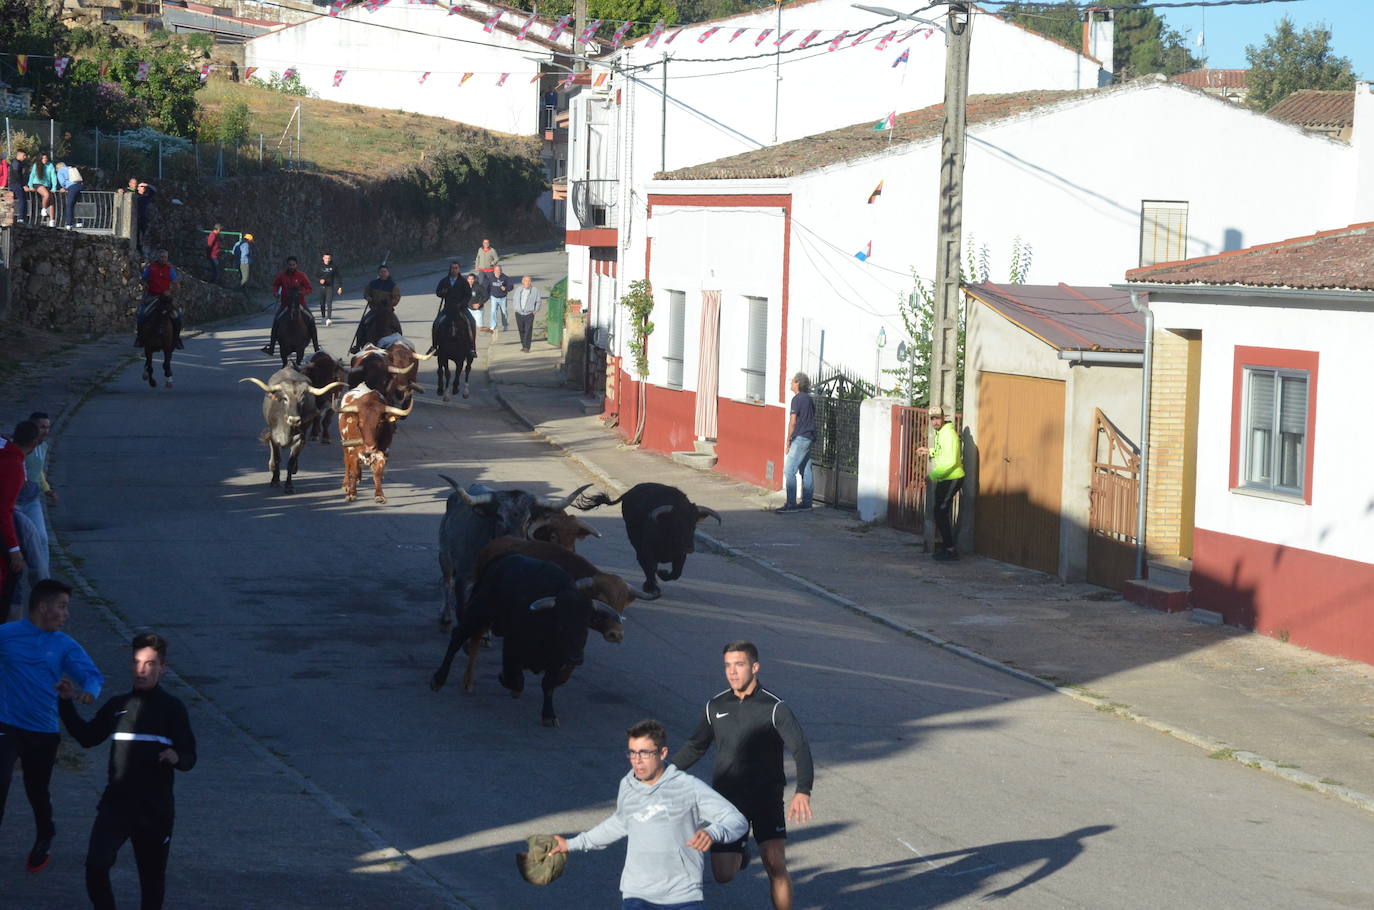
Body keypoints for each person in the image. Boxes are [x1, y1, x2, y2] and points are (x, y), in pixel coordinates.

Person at [669, 641, 814, 910]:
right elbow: (695, 746)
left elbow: (800, 748)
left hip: (765, 799)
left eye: (739, 664)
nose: (732, 672)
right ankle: (741, 851)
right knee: (724, 875)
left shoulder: (774, 708)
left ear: (755, 667)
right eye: (727, 665)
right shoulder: (716, 706)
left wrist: (803, 790)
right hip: (727, 802)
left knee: (774, 862)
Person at [60, 631, 196, 910]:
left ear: (162, 668)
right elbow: (87, 737)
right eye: (136, 662)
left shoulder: (173, 709)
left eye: (149, 664)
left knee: (152, 882)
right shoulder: (117, 706)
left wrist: (176, 756)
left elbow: (190, 755)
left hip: (154, 810)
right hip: (116, 806)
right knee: (96, 866)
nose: (141, 670)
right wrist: (65, 703)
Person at [551, 718, 747, 910]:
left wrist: (713, 832)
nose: (637, 761)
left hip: (683, 897)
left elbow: (737, 820)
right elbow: (618, 824)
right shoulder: (627, 786)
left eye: (645, 753)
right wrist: (571, 844)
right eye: (632, 753)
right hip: (637, 896)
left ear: (662, 753)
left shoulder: (688, 787)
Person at [0, 579, 104, 873]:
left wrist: (88, 693)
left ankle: (45, 833)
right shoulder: (7, 635)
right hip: (6, 723)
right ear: (43, 608)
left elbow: (93, 676)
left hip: (43, 730)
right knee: (1, 779)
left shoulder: (64, 645)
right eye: (62, 607)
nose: (66, 614)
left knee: (37, 791)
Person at [13, 412, 56, 593]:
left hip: (32, 500)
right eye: (41, 426)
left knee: (42, 537)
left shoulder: (43, 446)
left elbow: (39, 471)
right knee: (25, 539)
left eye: (47, 426)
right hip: (15, 502)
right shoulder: (19, 446)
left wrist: (47, 489)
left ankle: (44, 583)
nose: (45, 430)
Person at [916, 405, 965, 560]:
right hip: (946, 477)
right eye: (933, 419)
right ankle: (947, 547)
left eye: (937, 418)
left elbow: (951, 461)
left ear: (944, 417)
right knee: (940, 512)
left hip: (952, 477)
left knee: (940, 511)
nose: (935, 421)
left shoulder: (948, 434)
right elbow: (942, 452)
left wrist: (933, 475)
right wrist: (929, 451)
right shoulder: (941, 433)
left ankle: (950, 550)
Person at [0, 421, 39, 608]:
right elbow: (3, 509)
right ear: (35, 445)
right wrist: (13, 549)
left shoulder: (3, 445)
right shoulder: (14, 466)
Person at [262, 256, 320, 356]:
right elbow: (275, 285)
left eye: (293, 265)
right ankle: (271, 347)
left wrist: (302, 293)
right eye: (290, 265)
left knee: (311, 319)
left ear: (296, 265)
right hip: (285, 304)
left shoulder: (301, 275)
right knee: (276, 321)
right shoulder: (282, 276)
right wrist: (276, 293)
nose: (292, 267)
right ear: (287, 265)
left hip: (300, 304)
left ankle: (316, 347)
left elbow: (309, 288)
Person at [776, 373, 816, 514]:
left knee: (789, 470)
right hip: (809, 436)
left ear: (798, 383)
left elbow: (793, 421)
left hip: (800, 437)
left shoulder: (797, 399)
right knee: (805, 469)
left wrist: (788, 440)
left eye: (792, 381)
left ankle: (791, 504)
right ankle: (807, 503)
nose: (790, 383)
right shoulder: (809, 399)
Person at [135, 250, 184, 350]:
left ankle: (176, 339)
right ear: (158, 257)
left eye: (165, 257)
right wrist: (145, 285)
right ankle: (140, 338)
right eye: (161, 257)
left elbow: (176, 284)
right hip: (152, 297)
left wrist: (170, 291)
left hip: (165, 298)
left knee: (178, 316)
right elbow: (143, 279)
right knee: (141, 315)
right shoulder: (151, 268)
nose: (163, 259)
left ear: (167, 258)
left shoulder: (170, 270)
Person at [350, 264, 401, 354]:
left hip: (387, 311)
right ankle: (358, 346)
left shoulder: (393, 286)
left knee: (397, 326)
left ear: (388, 273)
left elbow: (396, 298)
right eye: (381, 272)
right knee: (362, 324)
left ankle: (400, 344)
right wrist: (368, 298)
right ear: (378, 273)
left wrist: (389, 303)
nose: (383, 274)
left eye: (385, 272)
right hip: (374, 310)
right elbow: (366, 293)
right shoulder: (373, 284)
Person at [430, 260, 473, 352]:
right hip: (448, 308)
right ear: (450, 269)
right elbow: (438, 292)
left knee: (472, 322)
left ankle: (472, 347)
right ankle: (434, 346)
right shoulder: (444, 281)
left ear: (459, 269)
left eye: (456, 268)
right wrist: (442, 292)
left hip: (461, 308)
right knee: (436, 323)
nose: (454, 270)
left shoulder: (463, 281)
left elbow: (468, 295)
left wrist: (461, 304)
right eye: (452, 268)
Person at [27, 152, 57, 227]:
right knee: (46, 194)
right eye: (43, 158)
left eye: (46, 158)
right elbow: (32, 175)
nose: (45, 159)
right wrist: (30, 185)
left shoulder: (50, 165)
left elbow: (53, 176)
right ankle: (43, 209)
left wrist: (54, 187)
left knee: (51, 201)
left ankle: (52, 220)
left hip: (47, 185)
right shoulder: (36, 165)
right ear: (40, 158)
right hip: (37, 184)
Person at [512, 275, 541, 353]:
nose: (527, 283)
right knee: (521, 330)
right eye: (525, 281)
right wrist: (516, 308)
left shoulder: (535, 290)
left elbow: (538, 301)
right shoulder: (518, 289)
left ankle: (527, 347)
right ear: (522, 282)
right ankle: (523, 345)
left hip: (529, 314)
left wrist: (535, 310)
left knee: (528, 330)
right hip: (519, 313)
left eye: (529, 281)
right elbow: (514, 299)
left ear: (531, 282)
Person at [55, 161, 85, 229]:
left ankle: (69, 223)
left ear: (58, 168)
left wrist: (64, 188)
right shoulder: (71, 168)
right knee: (79, 204)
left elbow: (62, 182)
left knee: (69, 205)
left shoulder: (60, 172)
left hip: (72, 187)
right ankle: (79, 222)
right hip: (79, 186)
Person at [486, 264, 515, 333]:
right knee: (493, 311)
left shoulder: (505, 278)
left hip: (503, 298)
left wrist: (506, 288)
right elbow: (486, 286)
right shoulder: (491, 278)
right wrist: (487, 295)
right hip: (494, 297)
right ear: (494, 271)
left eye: (499, 270)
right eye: (496, 270)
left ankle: (505, 325)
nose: (498, 272)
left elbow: (511, 286)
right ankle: (493, 325)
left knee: (504, 312)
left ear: (501, 271)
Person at [316, 252, 342, 326]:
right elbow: (315, 276)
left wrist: (340, 287)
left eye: (329, 258)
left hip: (330, 287)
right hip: (321, 288)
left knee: (329, 303)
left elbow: (338, 277)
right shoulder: (319, 267)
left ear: (331, 259)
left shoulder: (333, 267)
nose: (327, 260)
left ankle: (329, 319)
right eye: (326, 258)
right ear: (323, 258)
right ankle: (323, 317)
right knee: (322, 304)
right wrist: (320, 280)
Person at [7, 150, 28, 223]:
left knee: (15, 201)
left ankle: (18, 217)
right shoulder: (16, 163)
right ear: (19, 155)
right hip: (16, 184)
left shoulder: (19, 163)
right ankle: (21, 218)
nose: (25, 157)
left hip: (15, 184)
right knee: (22, 200)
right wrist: (23, 185)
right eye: (24, 155)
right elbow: (17, 175)